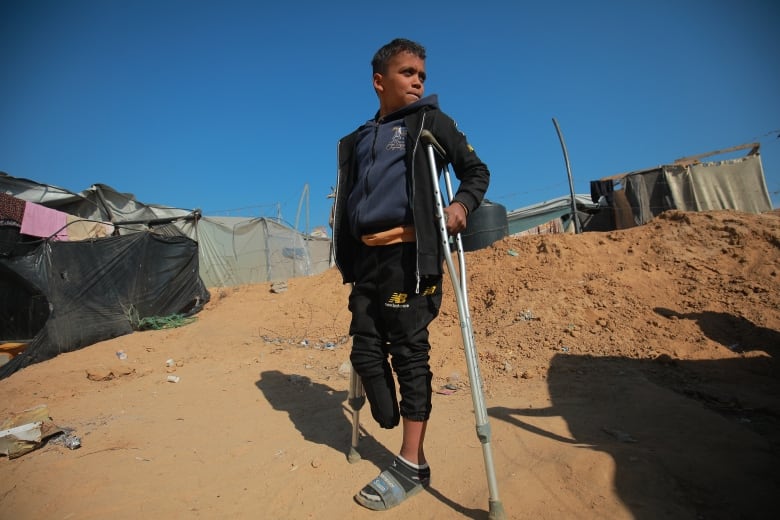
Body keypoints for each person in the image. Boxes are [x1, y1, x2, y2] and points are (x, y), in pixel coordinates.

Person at [331, 37, 490, 511]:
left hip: (409, 258)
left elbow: (475, 170)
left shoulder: (429, 122)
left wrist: (462, 204)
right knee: (364, 350)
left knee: (408, 354)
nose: (418, 80)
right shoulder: (359, 138)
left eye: (421, 73)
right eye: (407, 72)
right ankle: (387, 417)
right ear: (380, 81)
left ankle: (411, 462)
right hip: (367, 262)